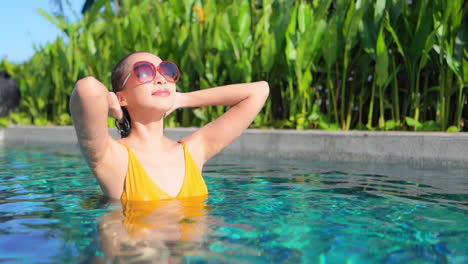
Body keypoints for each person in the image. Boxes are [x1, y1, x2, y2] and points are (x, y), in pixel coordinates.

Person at [70, 51, 269, 202]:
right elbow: (87, 88)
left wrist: (182, 99)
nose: (160, 79)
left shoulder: (193, 150)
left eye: (167, 71)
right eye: (144, 71)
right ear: (122, 97)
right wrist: (111, 102)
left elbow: (259, 91)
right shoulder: (111, 157)